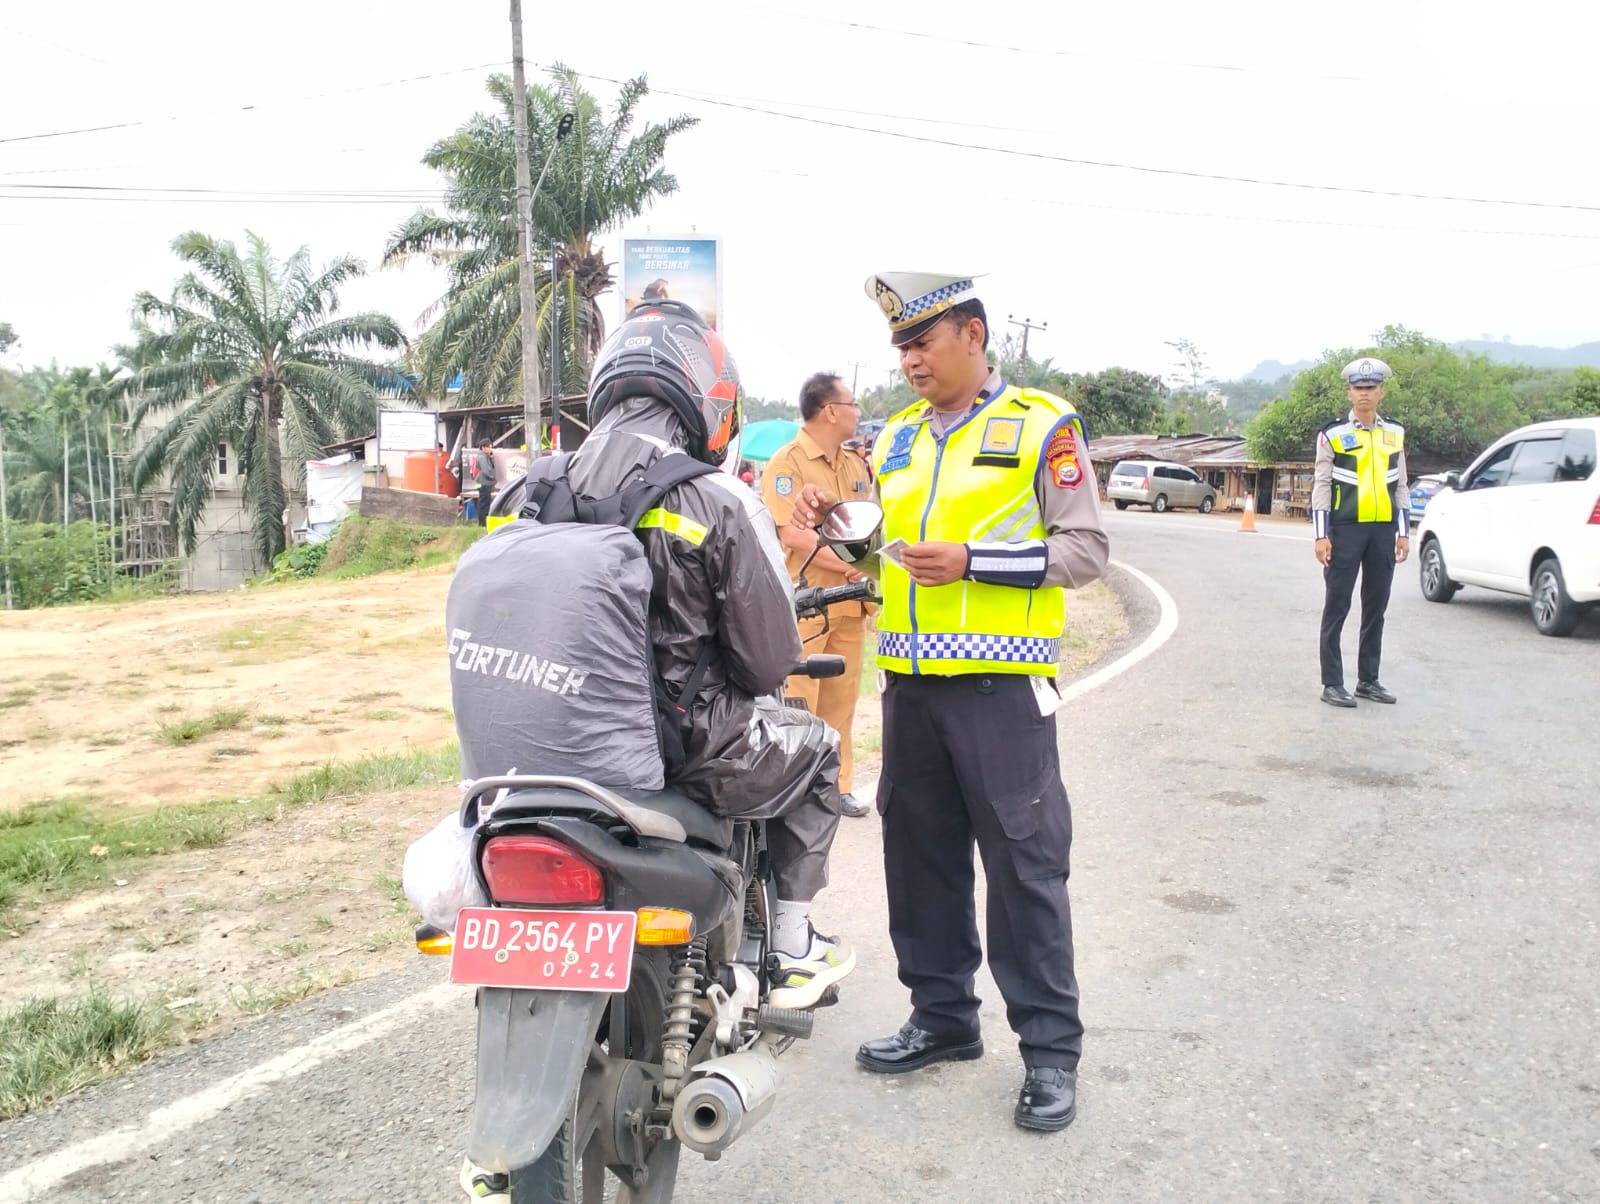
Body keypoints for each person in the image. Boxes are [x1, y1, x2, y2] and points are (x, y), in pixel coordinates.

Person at [795, 272, 1109, 1132]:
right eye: (900, 345)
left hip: (1003, 689)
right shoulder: (896, 439)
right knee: (920, 858)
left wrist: (977, 562)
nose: (908, 359)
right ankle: (942, 1019)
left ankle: (1049, 1053)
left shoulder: (1043, 426)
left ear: (972, 334)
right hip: (912, 688)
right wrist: (841, 529)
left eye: (922, 341)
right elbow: (887, 555)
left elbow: (1086, 551)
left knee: (1024, 868)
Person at [486, 300, 854, 1007]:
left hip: (531, 747)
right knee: (816, 747)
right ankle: (792, 946)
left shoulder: (526, 488)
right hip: (688, 750)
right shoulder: (717, 498)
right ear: (709, 402)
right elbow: (767, 664)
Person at [761, 372, 875, 819]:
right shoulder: (787, 463)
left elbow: (865, 526)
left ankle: (838, 787)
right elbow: (792, 532)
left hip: (850, 602)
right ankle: (796, 790)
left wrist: (860, 572)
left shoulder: (852, 465)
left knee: (842, 702)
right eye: (852, 404)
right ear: (831, 410)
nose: (856, 412)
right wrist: (852, 565)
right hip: (808, 605)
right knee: (800, 703)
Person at [1312, 356, 1409, 707]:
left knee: (1376, 606)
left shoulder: (1394, 433)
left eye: (1371, 388)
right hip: (1345, 529)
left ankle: (1369, 680)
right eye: (1358, 388)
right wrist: (1321, 535)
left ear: (1381, 392)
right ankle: (1332, 683)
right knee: (1337, 606)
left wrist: (1403, 532)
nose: (1364, 394)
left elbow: (1401, 486)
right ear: (1349, 393)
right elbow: (1321, 485)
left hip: (1382, 530)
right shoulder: (1333, 433)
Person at [468, 439, 497, 527]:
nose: (491, 449)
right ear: (483, 447)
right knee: (484, 505)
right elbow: (486, 471)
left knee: (484, 503)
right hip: (484, 483)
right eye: (489, 447)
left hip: (483, 483)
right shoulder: (482, 457)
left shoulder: (484, 456)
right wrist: (493, 479)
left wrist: (491, 458)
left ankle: (483, 523)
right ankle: (482, 524)